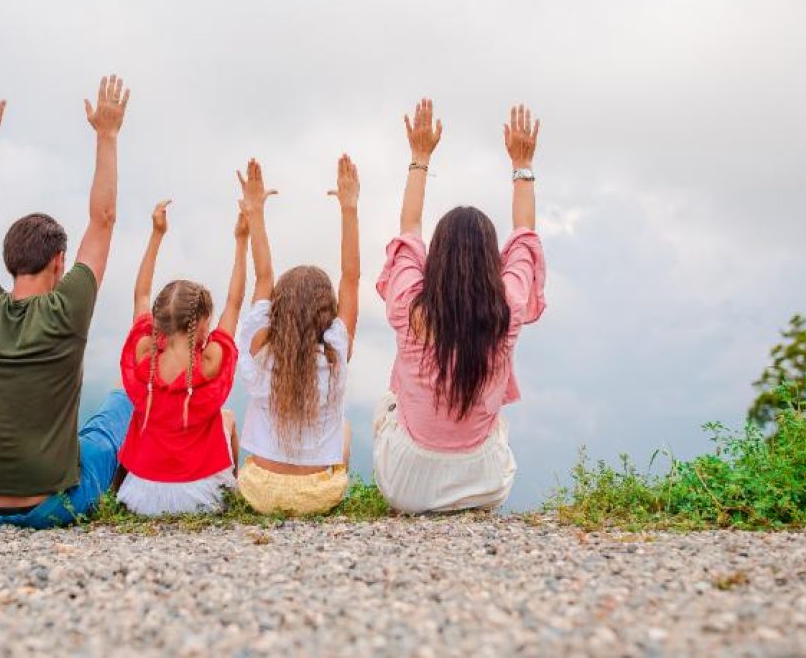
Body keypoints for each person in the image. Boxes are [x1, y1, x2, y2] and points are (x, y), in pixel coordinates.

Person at [0, 76, 132, 528]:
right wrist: (107, 135)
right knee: (118, 410)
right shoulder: (65, 310)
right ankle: (134, 499)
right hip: (50, 503)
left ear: (9, 261)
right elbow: (103, 221)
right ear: (58, 262)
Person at [373, 99, 547, 513]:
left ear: (436, 257)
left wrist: (419, 157)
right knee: (495, 425)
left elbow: (409, 229)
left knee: (387, 404)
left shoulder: (408, 306)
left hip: (406, 487)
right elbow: (525, 236)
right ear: (492, 258)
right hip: (482, 485)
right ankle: (466, 494)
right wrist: (522, 165)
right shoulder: (508, 308)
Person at [236, 156, 360, 515]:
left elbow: (262, 277)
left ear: (277, 307)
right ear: (328, 313)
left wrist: (255, 212)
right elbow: (350, 278)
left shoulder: (259, 346)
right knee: (347, 429)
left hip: (260, 490)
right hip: (317, 496)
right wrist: (349, 208)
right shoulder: (336, 350)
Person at [116, 199, 246, 515]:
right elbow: (234, 302)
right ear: (202, 323)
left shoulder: (144, 358)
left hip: (144, 494)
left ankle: (115, 488)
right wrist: (242, 241)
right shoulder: (209, 365)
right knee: (226, 418)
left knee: (125, 413)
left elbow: (141, 295)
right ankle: (236, 488)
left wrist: (156, 234)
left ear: (159, 320)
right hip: (200, 494)